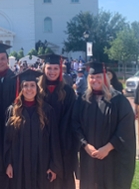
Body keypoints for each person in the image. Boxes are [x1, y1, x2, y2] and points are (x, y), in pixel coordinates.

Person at [72, 62, 136, 189]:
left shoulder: (118, 100)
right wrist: (85, 145)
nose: (95, 80)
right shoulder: (83, 100)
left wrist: (108, 147)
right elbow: (75, 124)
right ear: (88, 79)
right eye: (92, 77)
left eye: (98, 77)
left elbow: (126, 128)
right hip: (89, 157)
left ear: (105, 78)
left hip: (112, 158)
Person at [5, 69, 62, 189]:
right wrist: (8, 163)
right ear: (20, 89)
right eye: (25, 85)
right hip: (18, 162)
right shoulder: (12, 111)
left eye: (32, 85)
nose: (29, 89)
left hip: (42, 162)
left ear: (37, 88)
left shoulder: (47, 110)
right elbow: (7, 140)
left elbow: (54, 140)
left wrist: (53, 165)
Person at [38, 53, 78, 189]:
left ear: (61, 70)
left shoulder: (67, 91)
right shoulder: (36, 90)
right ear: (44, 69)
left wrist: (58, 138)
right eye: (49, 68)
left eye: (56, 68)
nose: (52, 72)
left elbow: (70, 118)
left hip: (62, 143)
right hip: (40, 143)